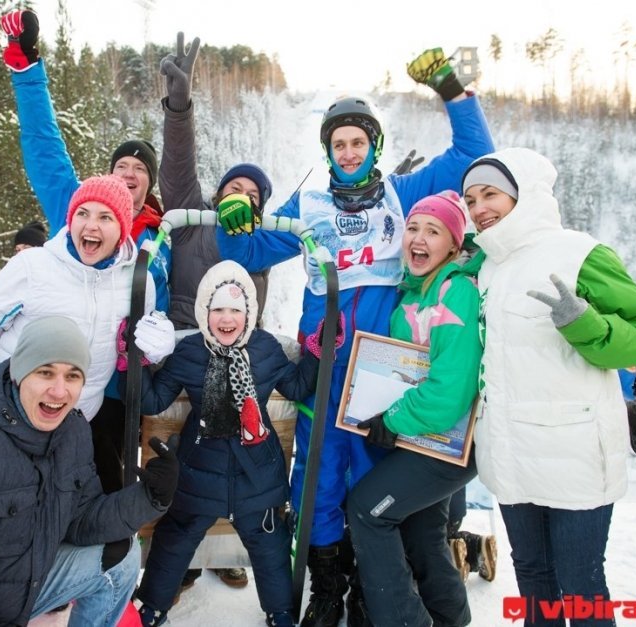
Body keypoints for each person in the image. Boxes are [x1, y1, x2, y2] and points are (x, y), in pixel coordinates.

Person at [216, 48, 495, 626]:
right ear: (328, 151)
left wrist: (451, 89)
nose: (348, 152)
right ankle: (327, 584)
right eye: (338, 144)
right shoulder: (310, 204)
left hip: (386, 373)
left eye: (357, 142)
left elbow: (473, 155)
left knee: (373, 482)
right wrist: (235, 214)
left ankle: (373, 586)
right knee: (317, 481)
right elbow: (246, 251)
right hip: (327, 365)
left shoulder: (404, 194)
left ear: (373, 147)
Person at [462, 147, 636, 627]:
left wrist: (585, 325)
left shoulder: (580, 253)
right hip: (510, 454)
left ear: (523, 194)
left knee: (580, 586)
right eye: (471, 199)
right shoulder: (486, 267)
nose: (479, 208)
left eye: (491, 194)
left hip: (572, 454)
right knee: (532, 577)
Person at [0, 316, 179, 626]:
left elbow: (82, 519)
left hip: (20, 584)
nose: (59, 390)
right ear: (19, 373)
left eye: (73, 376)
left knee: (121, 555)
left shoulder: (73, 432)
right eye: (45, 372)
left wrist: (150, 496)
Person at [0, 9, 172, 497]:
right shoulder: (80, 214)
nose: (129, 171)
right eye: (121, 164)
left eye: (139, 166)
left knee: (105, 486)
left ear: (149, 182)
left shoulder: (164, 237)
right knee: (42, 486)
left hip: (123, 390)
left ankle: (105, 568)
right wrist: (27, 69)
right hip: (59, 380)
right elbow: (44, 148)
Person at [129, 261, 339, 627]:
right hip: (199, 472)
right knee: (175, 538)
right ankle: (151, 606)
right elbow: (153, 402)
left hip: (256, 473)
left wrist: (318, 354)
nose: (227, 319)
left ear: (250, 313)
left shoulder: (264, 348)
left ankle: (280, 612)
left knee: (269, 545)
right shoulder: (192, 351)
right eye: (218, 309)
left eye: (236, 310)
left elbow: (296, 387)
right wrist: (139, 360)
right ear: (204, 312)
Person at [159, 30, 276, 592]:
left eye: (251, 194)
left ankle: (224, 543)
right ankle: (174, 549)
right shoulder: (191, 221)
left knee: (231, 452)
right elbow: (177, 168)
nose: (239, 195)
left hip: (228, 359)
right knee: (172, 455)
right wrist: (179, 107)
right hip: (183, 349)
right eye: (232, 186)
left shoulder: (258, 246)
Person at [0, 175, 172, 424]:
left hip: (68, 420)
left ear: (123, 228)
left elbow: (128, 352)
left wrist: (151, 348)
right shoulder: (32, 266)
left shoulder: (139, 283)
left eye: (105, 217)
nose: (91, 225)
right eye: (82, 214)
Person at [346, 192, 481, 626]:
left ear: (454, 246)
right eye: (414, 228)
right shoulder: (411, 296)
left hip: (451, 440)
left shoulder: (455, 292)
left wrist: (392, 419)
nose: (419, 239)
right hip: (424, 440)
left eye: (434, 230)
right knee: (423, 535)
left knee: (368, 510)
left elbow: (449, 391)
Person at [446, 486, 497, 583]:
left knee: (423, 543)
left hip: (430, 516)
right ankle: (477, 545)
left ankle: (452, 552)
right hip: (455, 511)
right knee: (445, 532)